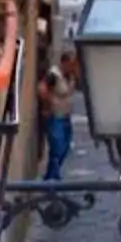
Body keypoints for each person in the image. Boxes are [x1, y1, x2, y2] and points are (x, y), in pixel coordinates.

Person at [39, 47, 79, 181]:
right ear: (64, 63)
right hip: (55, 116)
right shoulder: (54, 75)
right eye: (71, 64)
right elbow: (42, 89)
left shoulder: (70, 76)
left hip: (66, 116)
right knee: (57, 147)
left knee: (65, 146)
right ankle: (52, 177)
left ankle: (52, 174)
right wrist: (47, 106)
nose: (73, 67)